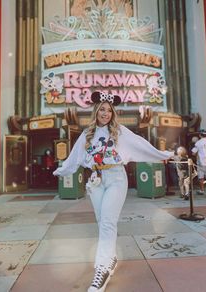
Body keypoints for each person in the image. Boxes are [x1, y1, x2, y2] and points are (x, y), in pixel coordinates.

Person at [53, 91, 173, 292]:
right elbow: (74, 157)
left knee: (108, 222)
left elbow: (142, 145)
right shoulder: (87, 134)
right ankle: (110, 258)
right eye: (102, 109)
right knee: (102, 222)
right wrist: (62, 170)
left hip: (116, 179)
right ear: (96, 111)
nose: (106, 113)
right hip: (96, 180)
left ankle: (101, 270)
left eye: (109, 110)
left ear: (113, 113)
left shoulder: (121, 131)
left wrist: (162, 154)